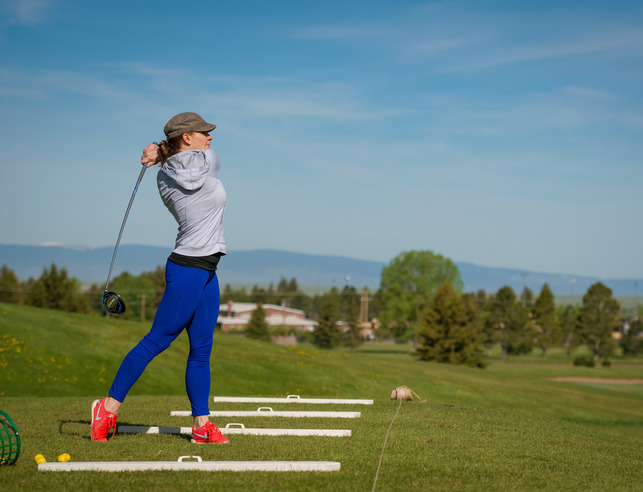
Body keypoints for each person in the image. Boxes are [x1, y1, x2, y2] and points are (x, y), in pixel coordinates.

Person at [91, 112, 229, 444]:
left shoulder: (163, 175)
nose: (210, 138)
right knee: (157, 340)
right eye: (203, 133)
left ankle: (201, 425)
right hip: (189, 269)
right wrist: (160, 153)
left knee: (201, 348)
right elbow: (212, 158)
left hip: (205, 270)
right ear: (187, 138)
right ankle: (106, 408)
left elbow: (186, 159)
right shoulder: (205, 163)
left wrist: (158, 154)